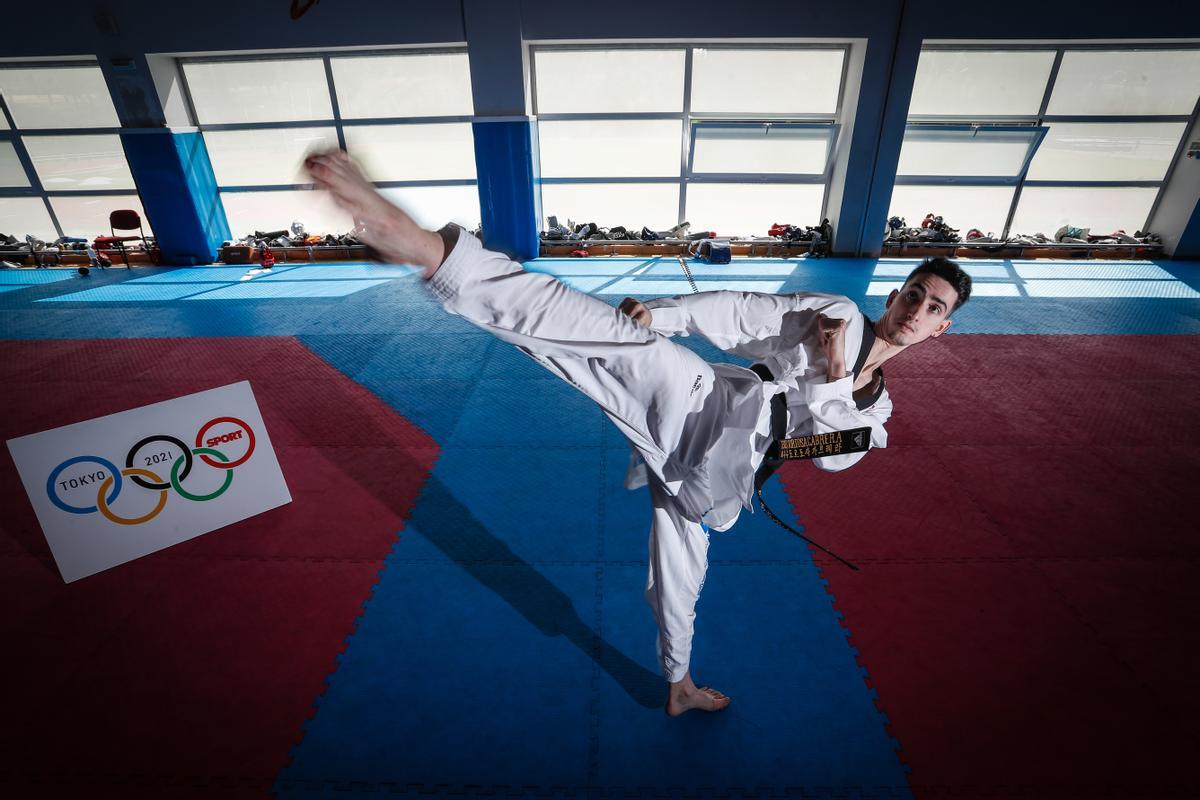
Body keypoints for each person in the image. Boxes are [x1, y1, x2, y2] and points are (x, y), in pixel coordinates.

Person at [304, 150, 973, 716]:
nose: (917, 310)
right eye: (914, 293)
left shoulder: (875, 414)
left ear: (943, 328)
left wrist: (829, 381)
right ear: (895, 294)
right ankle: (428, 250)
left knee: (677, 578)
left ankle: (678, 685)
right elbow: (744, 313)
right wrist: (663, 314)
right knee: (595, 336)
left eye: (934, 308)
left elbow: (828, 460)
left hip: (725, 476)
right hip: (702, 400)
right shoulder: (837, 314)